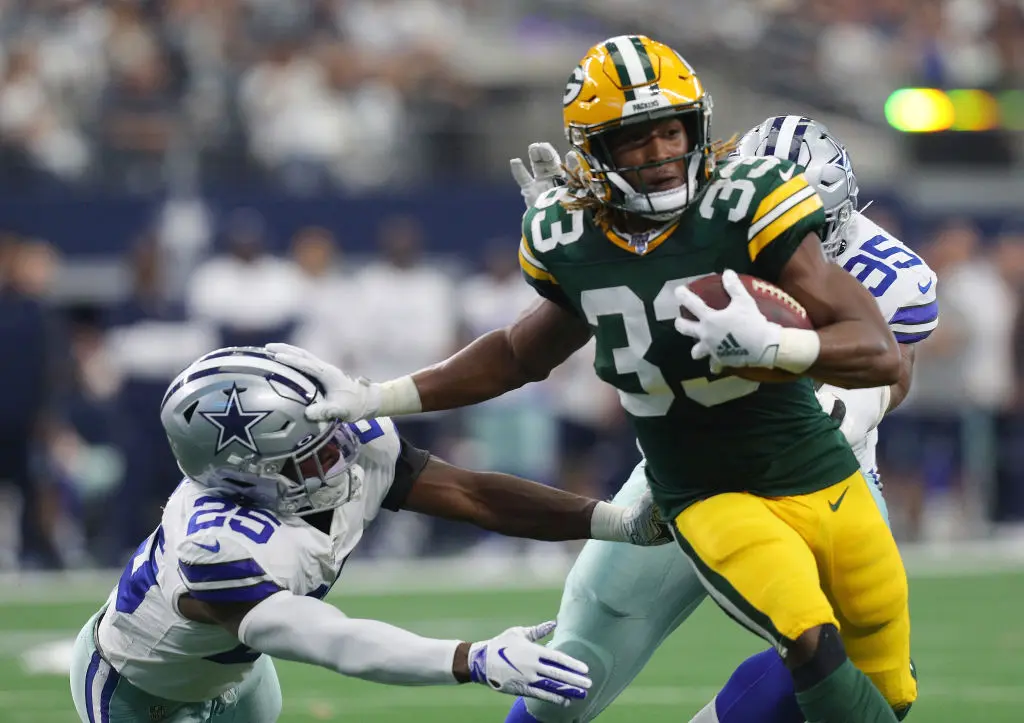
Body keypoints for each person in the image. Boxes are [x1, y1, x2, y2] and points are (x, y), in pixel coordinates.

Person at [271, 36, 917, 723]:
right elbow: (520, 351)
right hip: (699, 481)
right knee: (603, 654)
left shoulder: (792, 225)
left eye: (672, 131)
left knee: (884, 685)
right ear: (597, 153)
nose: (663, 155)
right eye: (636, 141)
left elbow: (884, 364)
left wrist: (782, 345)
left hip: (827, 467)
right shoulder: (574, 235)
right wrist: (380, 394)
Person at [499, 114, 939, 723]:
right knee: (583, 651)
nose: (786, 229)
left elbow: (895, 371)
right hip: (692, 463)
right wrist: (582, 243)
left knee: (847, 666)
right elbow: (598, 301)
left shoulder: (884, 268)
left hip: (823, 466)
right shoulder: (687, 220)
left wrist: (845, 405)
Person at [69, 346, 673, 723]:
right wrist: (472, 659)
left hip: (238, 676)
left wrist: (613, 521)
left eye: (327, 437)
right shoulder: (218, 547)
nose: (339, 458)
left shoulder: (350, 448)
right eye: (309, 456)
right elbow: (336, 641)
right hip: (136, 689)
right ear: (242, 476)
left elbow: (473, 494)